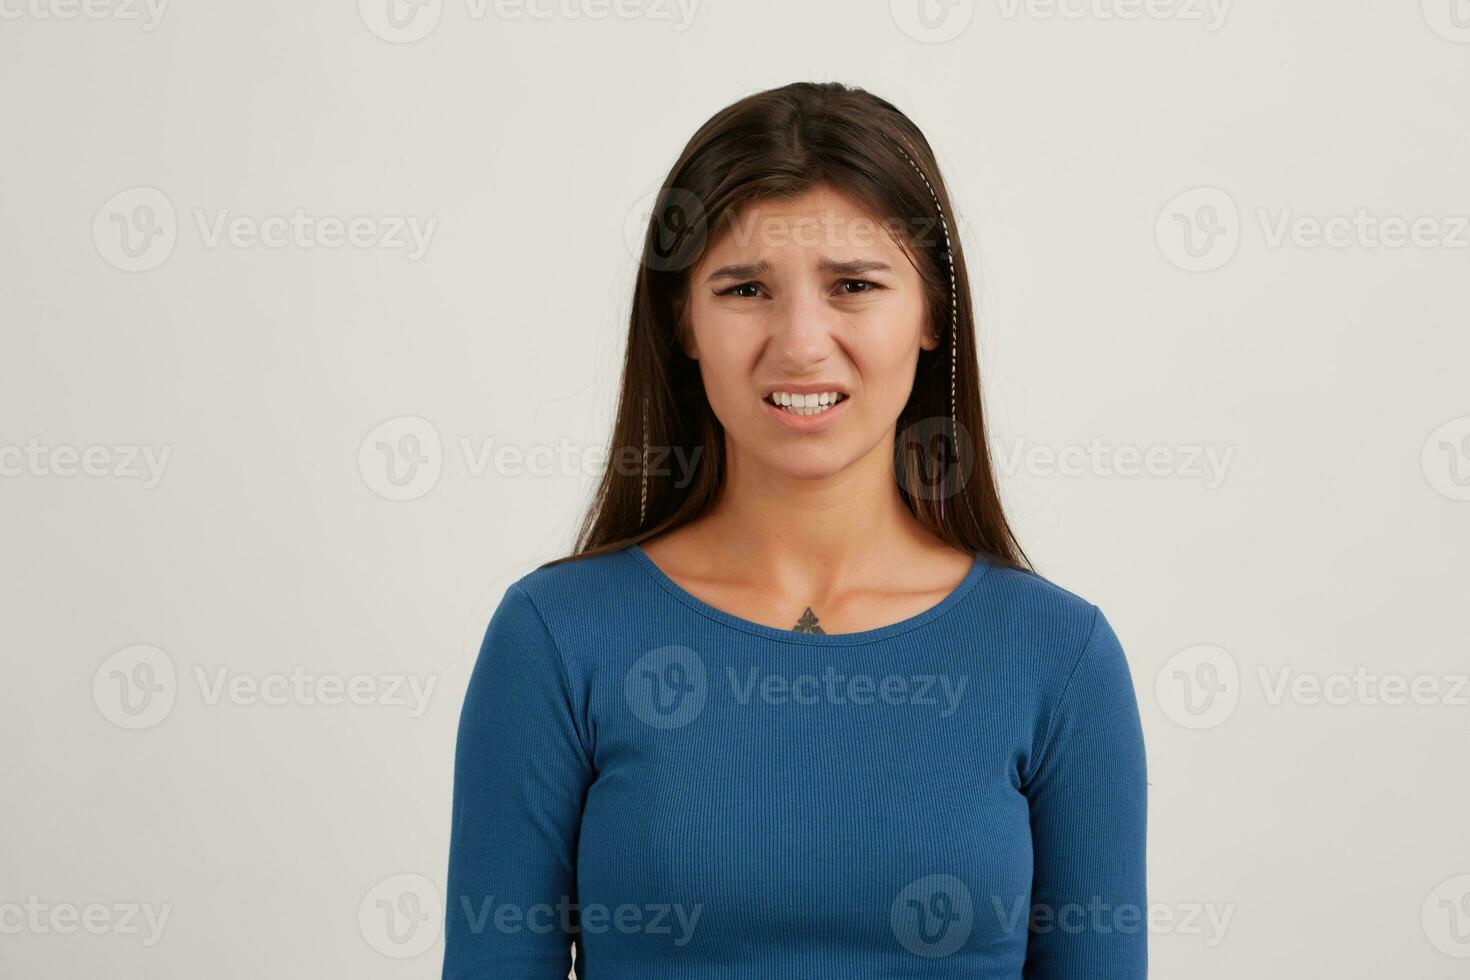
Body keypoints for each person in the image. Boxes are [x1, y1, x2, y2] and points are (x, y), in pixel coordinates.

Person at [442, 80, 1147, 979]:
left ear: (931, 311)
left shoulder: (1060, 656)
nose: (801, 342)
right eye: (745, 288)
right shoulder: (554, 639)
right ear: (683, 322)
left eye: (854, 284)